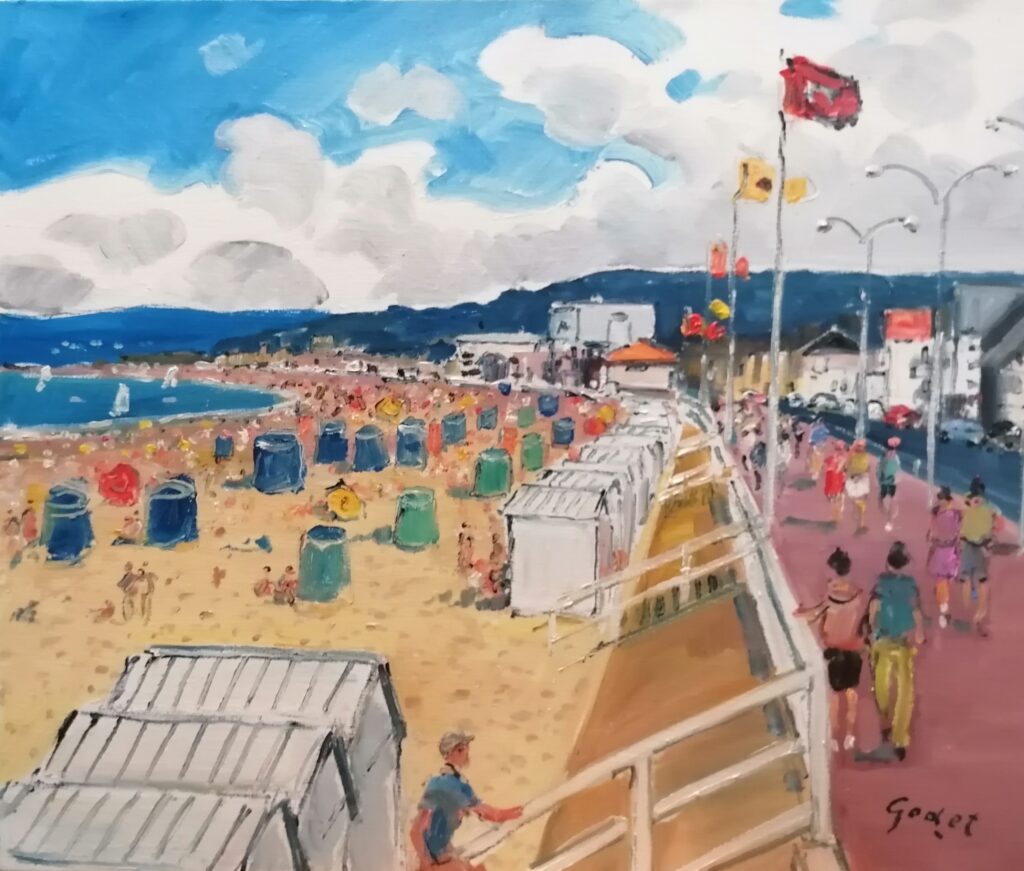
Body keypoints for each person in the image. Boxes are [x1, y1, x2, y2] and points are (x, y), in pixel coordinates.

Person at [410, 732, 523, 870]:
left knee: (478, 868)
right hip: (437, 859)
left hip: (438, 854)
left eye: (465, 748)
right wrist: (425, 862)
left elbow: (417, 830)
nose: (467, 753)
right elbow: (489, 813)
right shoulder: (454, 785)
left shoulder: (437, 783)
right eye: (461, 749)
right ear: (451, 753)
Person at [795, 548, 868, 752]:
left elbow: (814, 614)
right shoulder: (858, 595)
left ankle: (835, 737)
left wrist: (799, 612)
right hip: (853, 648)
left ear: (834, 571)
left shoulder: (830, 596)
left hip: (834, 650)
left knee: (834, 696)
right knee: (852, 694)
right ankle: (850, 734)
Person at [869, 542, 925, 761]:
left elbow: (874, 608)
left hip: (882, 640)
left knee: (881, 686)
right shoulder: (911, 586)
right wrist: (919, 632)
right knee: (905, 691)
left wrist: (872, 628)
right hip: (902, 643)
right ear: (906, 563)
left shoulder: (881, 584)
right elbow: (916, 611)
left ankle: (885, 723)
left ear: (887, 562)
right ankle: (900, 738)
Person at [959, 477, 1000, 636]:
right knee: (983, 579)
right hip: (983, 546)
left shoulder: (965, 503)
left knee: (966, 579)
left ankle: (966, 610)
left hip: (967, 544)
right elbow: (996, 524)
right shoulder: (990, 508)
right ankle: (980, 613)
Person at [927, 486, 962, 629]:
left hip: (944, 552)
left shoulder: (943, 514)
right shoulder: (954, 514)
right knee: (944, 580)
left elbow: (931, 536)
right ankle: (944, 609)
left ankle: (944, 611)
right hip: (948, 552)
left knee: (942, 581)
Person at [844, 440, 871, 531]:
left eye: (861, 446)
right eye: (858, 446)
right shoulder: (852, 455)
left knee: (861, 504)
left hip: (862, 479)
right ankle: (859, 524)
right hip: (854, 480)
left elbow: (868, 468)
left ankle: (860, 524)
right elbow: (846, 465)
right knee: (857, 503)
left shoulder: (865, 455)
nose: (859, 447)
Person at [877, 438, 901, 532]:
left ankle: (891, 447)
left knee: (886, 462)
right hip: (889, 481)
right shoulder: (894, 512)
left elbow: (880, 500)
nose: (889, 521)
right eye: (890, 523)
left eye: (888, 522)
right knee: (889, 461)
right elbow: (894, 499)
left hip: (886, 480)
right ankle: (892, 447)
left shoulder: (884, 511)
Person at [822, 440, 847, 523]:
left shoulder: (843, 458)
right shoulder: (833, 457)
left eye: (839, 449)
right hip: (832, 477)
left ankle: (836, 515)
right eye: (837, 448)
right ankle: (836, 513)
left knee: (835, 496)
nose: (838, 451)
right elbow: (825, 462)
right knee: (831, 495)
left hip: (838, 478)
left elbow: (844, 468)